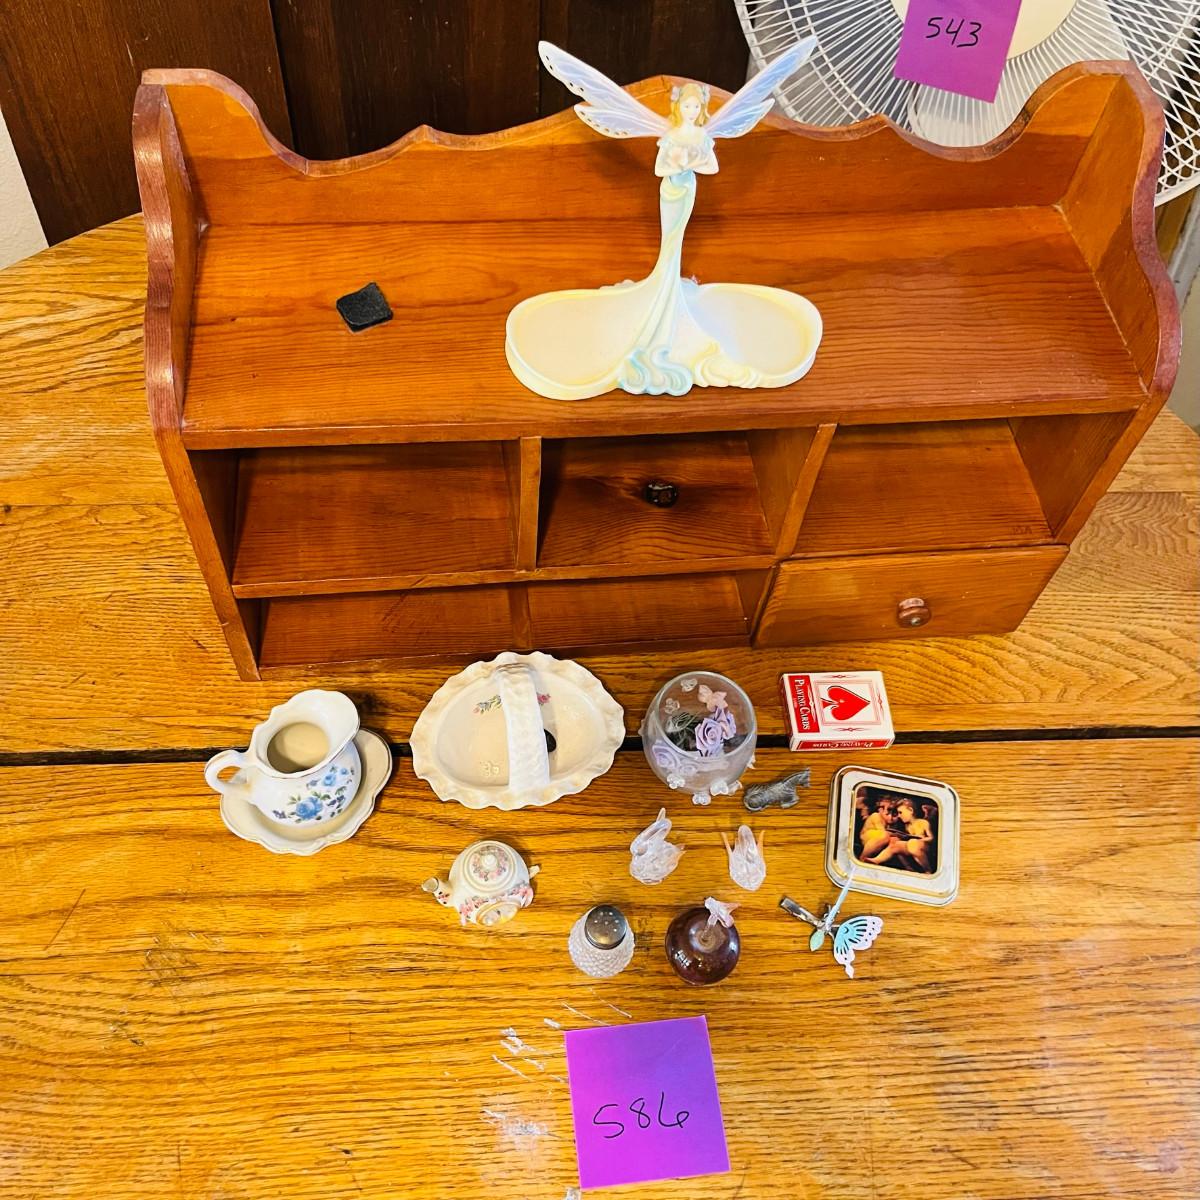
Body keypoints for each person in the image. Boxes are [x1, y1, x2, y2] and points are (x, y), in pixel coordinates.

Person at [864, 798, 935, 872]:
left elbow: (931, 838)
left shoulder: (923, 822)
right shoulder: (908, 826)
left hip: (924, 846)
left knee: (912, 843)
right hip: (911, 845)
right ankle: (876, 860)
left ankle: (928, 870)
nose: (899, 816)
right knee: (895, 844)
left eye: (900, 812)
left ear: (911, 810)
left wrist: (921, 839)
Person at [856, 792, 892, 861]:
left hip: (877, 839)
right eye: (882, 807)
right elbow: (882, 831)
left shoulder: (887, 819)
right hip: (866, 837)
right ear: (879, 808)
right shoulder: (876, 815)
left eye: (888, 808)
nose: (886, 811)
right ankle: (862, 858)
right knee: (885, 835)